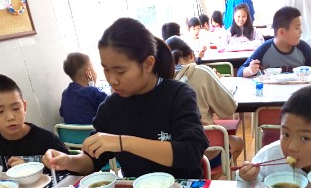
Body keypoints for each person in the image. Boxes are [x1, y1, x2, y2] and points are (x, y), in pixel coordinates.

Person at [42, 18, 209, 179]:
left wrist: (122, 142)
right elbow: (92, 160)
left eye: (120, 71)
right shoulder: (111, 107)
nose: (112, 80)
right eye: (106, 70)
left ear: (148, 64)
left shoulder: (178, 95)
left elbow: (191, 153)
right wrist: (67, 161)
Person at [0, 74, 69, 175]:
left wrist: (31, 171)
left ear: (24, 107)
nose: (10, 117)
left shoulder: (47, 139)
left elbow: (70, 171)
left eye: (16, 108)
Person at [165, 35, 244, 171]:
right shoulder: (202, 72)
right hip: (206, 152)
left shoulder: (158, 78)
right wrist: (215, 81)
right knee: (238, 142)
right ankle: (211, 178)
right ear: (192, 55)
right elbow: (228, 109)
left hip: (168, 155)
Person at [238, 6, 311, 77]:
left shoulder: (303, 47)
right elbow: (240, 72)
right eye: (297, 28)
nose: (301, 31)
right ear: (282, 32)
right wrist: (250, 70)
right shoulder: (265, 48)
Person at [59, 52, 107, 124]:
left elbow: (62, 113)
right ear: (89, 73)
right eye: (93, 67)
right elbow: (112, 106)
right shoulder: (93, 92)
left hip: (72, 135)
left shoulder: (65, 94)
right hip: (96, 134)